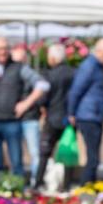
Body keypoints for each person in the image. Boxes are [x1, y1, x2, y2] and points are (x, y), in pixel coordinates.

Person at [0, 36, 48, 177]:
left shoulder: (18, 68)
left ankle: (17, 192)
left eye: (5, 49)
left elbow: (43, 84)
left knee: (16, 161)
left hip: (12, 121)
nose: (2, 52)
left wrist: (26, 103)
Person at [67, 38, 103, 184]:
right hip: (88, 115)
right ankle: (87, 186)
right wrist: (71, 113)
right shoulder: (89, 66)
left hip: (94, 114)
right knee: (93, 157)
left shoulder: (97, 66)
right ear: (98, 51)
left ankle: (89, 185)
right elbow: (76, 90)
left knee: (94, 156)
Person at [33, 44, 74, 191]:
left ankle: (38, 183)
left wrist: (42, 106)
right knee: (67, 152)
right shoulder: (73, 73)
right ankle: (67, 185)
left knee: (44, 153)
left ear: (53, 58)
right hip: (68, 119)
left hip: (52, 118)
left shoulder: (48, 76)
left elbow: (42, 97)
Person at [11, 46, 41, 183]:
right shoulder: (11, 73)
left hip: (30, 118)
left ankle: (36, 180)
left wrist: (26, 104)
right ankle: (16, 182)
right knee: (16, 155)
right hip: (14, 119)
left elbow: (43, 86)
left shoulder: (30, 74)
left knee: (35, 152)